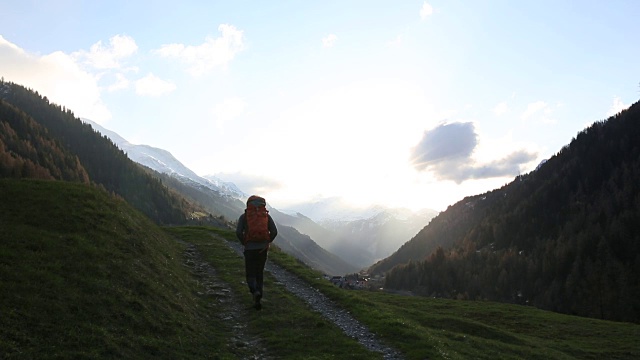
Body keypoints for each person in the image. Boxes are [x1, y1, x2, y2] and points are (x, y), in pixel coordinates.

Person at [236, 195, 278, 310]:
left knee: (250, 273)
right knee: (259, 273)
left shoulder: (244, 217)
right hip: (262, 249)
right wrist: (267, 242)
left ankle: (254, 292)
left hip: (249, 248)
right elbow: (274, 231)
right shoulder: (266, 216)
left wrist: (245, 243)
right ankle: (259, 296)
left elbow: (239, 232)